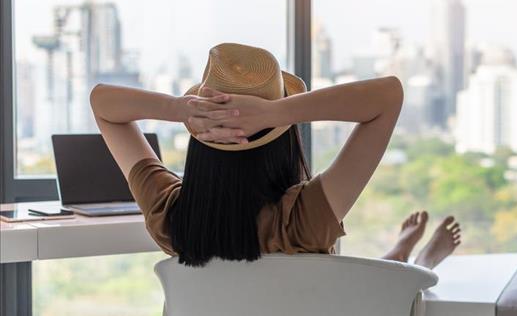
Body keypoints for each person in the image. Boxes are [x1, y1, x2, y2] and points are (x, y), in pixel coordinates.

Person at [90, 43, 460, 268]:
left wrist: (178, 109)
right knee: (392, 288)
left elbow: (102, 104)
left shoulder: (170, 215)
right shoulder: (303, 219)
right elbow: (388, 95)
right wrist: (274, 113)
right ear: (283, 142)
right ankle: (417, 263)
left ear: (199, 137)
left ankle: (400, 256)